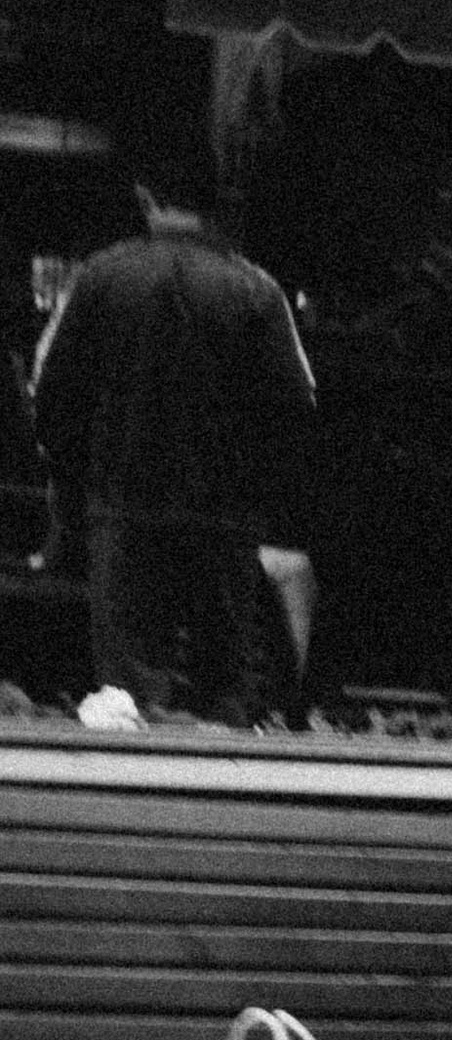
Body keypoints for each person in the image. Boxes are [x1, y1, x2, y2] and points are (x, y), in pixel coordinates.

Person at [30, 196, 317, 721]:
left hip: (123, 504)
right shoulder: (256, 287)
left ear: (143, 197)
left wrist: (73, 485)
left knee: (128, 692)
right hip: (224, 516)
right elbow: (295, 406)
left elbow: (54, 394)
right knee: (224, 683)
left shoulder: (101, 276)